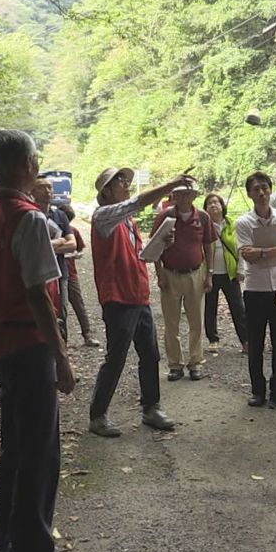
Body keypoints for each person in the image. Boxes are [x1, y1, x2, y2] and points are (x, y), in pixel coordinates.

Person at [0, 130, 75, 552]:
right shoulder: (28, 218)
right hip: (28, 344)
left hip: (0, 343)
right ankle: (34, 551)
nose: (38, 164)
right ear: (25, 166)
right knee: (39, 453)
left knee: (14, 446)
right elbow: (38, 294)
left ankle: (5, 542)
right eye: (35, 158)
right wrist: (62, 358)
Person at [88, 166, 192, 437]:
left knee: (150, 353)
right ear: (106, 191)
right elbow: (137, 201)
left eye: (125, 181)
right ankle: (97, 415)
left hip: (138, 295)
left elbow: (141, 256)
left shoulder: (128, 222)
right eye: (120, 181)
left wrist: (162, 244)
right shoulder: (104, 216)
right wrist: (170, 184)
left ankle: (151, 408)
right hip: (118, 298)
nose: (125, 185)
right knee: (116, 357)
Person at [235, 172, 276, 408]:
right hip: (255, 288)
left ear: (270, 190)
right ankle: (257, 390)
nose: (261, 193)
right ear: (250, 194)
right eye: (256, 189)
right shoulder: (243, 222)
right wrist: (274, 249)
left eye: (264, 188)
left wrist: (261, 251)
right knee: (256, 342)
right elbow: (247, 255)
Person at [152, 185, 216, 382]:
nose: (183, 198)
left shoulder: (203, 217)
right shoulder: (165, 217)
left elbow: (209, 245)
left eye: (187, 194)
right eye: (179, 194)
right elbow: (155, 244)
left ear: (194, 196)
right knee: (171, 322)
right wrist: (159, 273)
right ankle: (175, 365)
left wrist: (209, 274)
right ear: (173, 196)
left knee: (196, 320)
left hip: (195, 273)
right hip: (170, 273)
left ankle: (195, 362)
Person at [30, 178, 76, 337]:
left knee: (61, 310)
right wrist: (60, 241)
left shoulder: (60, 215)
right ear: (32, 191)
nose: (48, 191)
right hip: (36, 272)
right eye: (42, 188)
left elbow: (73, 245)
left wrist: (44, 246)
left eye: (50, 187)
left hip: (60, 270)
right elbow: (31, 247)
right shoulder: (30, 215)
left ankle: (63, 342)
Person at [203, 193, 249, 355]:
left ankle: (245, 340)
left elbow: (240, 248)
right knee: (210, 307)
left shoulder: (232, 226)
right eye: (209, 203)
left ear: (222, 206)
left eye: (216, 202)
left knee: (238, 307)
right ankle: (213, 339)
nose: (213, 205)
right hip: (210, 273)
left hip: (230, 273)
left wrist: (241, 269)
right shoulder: (204, 226)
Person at [60, 204, 98, 347]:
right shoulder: (53, 229)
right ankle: (62, 339)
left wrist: (75, 255)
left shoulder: (73, 231)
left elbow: (80, 249)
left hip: (71, 273)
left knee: (78, 304)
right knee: (61, 308)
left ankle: (87, 334)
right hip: (57, 273)